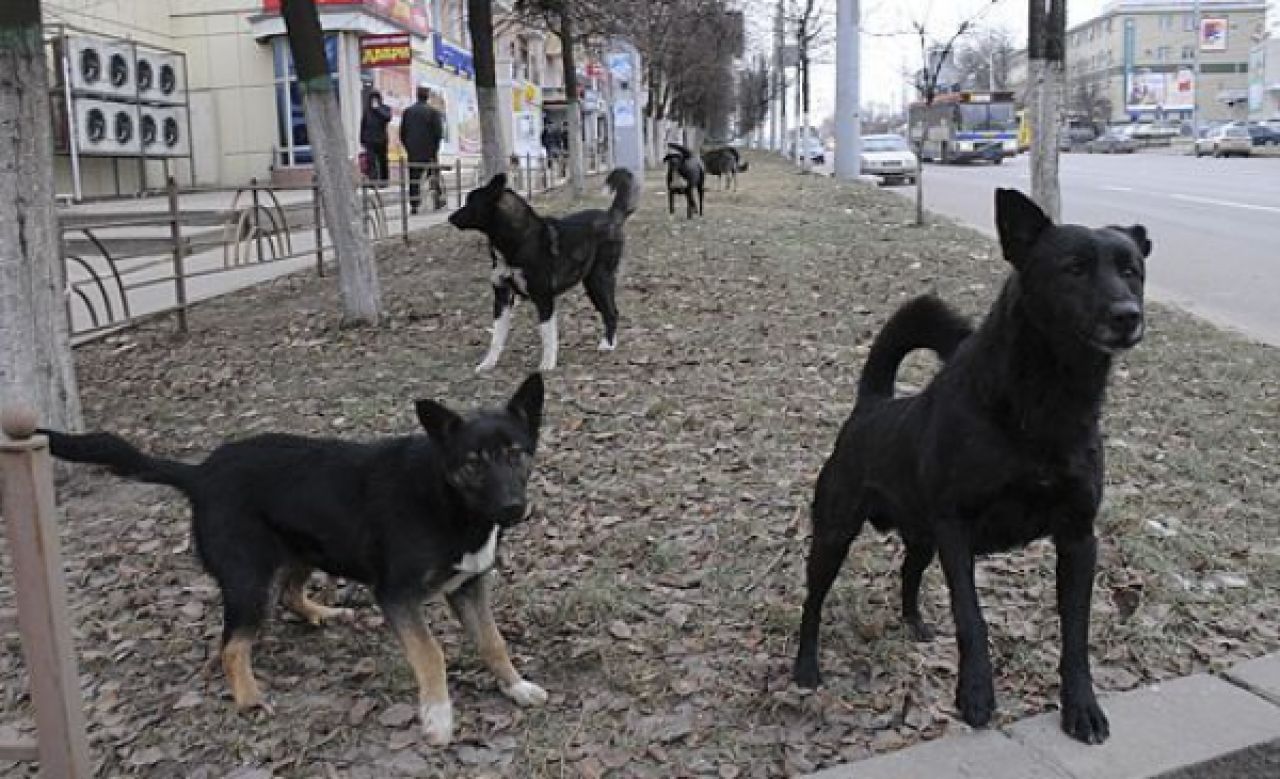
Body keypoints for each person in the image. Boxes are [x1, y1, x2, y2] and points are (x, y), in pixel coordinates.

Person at [399, 85, 446, 213]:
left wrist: (409, 147)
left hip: (413, 152)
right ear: (427, 97)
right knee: (433, 176)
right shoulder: (433, 112)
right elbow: (438, 133)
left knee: (414, 178)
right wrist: (434, 150)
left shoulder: (408, 112)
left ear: (417, 96)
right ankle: (437, 200)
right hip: (429, 152)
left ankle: (414, 204)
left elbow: (402, 133)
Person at [359, 90, 392, 185]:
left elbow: (387, 118)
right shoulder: (367, 111)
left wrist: (378, 108)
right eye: (372, 99)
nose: (374, 101)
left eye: (376, 98)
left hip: (381, 140)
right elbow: (363, 125)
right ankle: (373, 182)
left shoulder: (385, 108)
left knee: (383, 161)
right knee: (371, 161)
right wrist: (362, 139)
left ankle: (384, 181)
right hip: (369, 140)